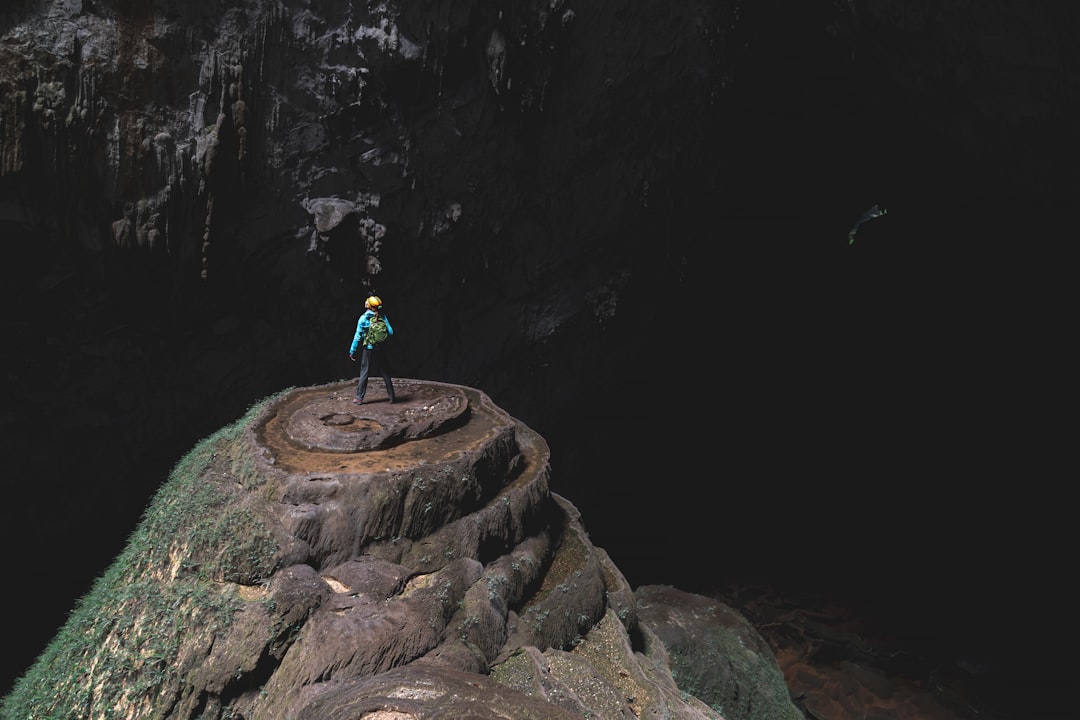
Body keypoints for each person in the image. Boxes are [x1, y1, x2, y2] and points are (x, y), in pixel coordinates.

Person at [349, 295, 395, 404]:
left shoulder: (363, 318)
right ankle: (392, 397)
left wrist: (352, 350)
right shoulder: (382, 316)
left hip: (368, 348)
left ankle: (359, 398)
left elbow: (357, 337)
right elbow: (391, 331)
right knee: (385, 372)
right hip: (381, 348)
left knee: (364, 372)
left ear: (368, 305)